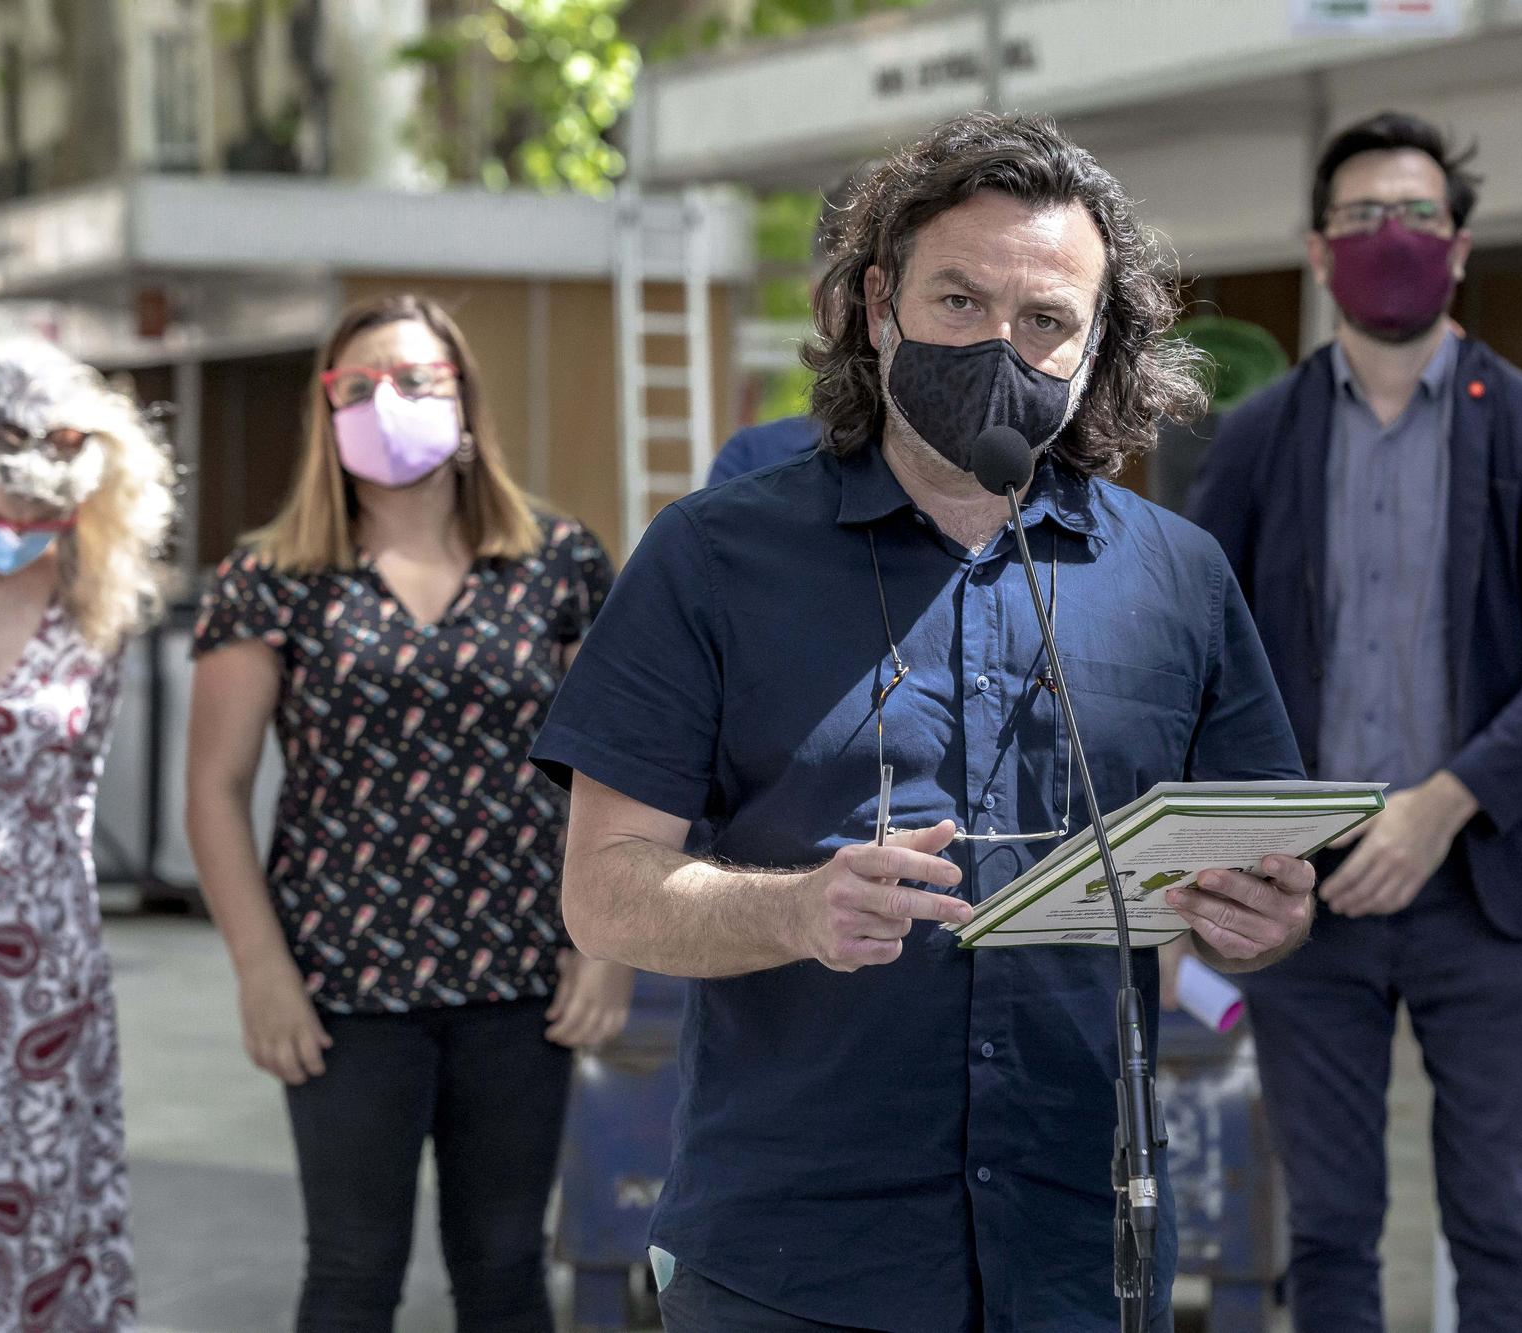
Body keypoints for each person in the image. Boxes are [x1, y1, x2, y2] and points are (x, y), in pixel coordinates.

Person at [532, 111, 1316, 1333]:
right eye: (959, 302)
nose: (1001, 344)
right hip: (793, 1259)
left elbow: (1249, 875)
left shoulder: (1180, 578)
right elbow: (604, 890)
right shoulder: (710, 556)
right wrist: (793, 907)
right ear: (874, 303)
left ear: (1096, 343)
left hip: (1080, 1250)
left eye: (1046, 320)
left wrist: (1261, 920)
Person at [1184, 111, 1522, 1331]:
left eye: (1417, 216)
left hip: (1482, 890)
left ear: (1460, 247)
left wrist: (1441, 806)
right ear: (1319, 252)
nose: (1391, 238)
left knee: (1494, 1222)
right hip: (1303, 900)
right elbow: (1193, 648)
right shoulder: (1259, 436)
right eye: (1362, 217)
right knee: (1324, 1231)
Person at [184, 294, 632, 1332]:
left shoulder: (558, 562)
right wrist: (260, 970)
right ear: (326, 411)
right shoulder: (270, 579)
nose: (388, 401)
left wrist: (607, 947)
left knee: (507, 1266)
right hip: (342, 987)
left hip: (524, 977)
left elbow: (616, 768)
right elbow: (213, 786)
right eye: (359, 385)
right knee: (351, 1272)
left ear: (465, 403)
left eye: (416, 379)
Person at [0, 339, 175, 1330]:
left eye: (41, 515)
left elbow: (77, 797)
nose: (17, 530)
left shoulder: (94, 605)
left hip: (36, 998)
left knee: (36, 1250)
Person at [704, 171, 860, 486]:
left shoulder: (980, 472)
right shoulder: (752, 466)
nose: (886, 313)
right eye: (861, 286)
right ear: (820, 300)